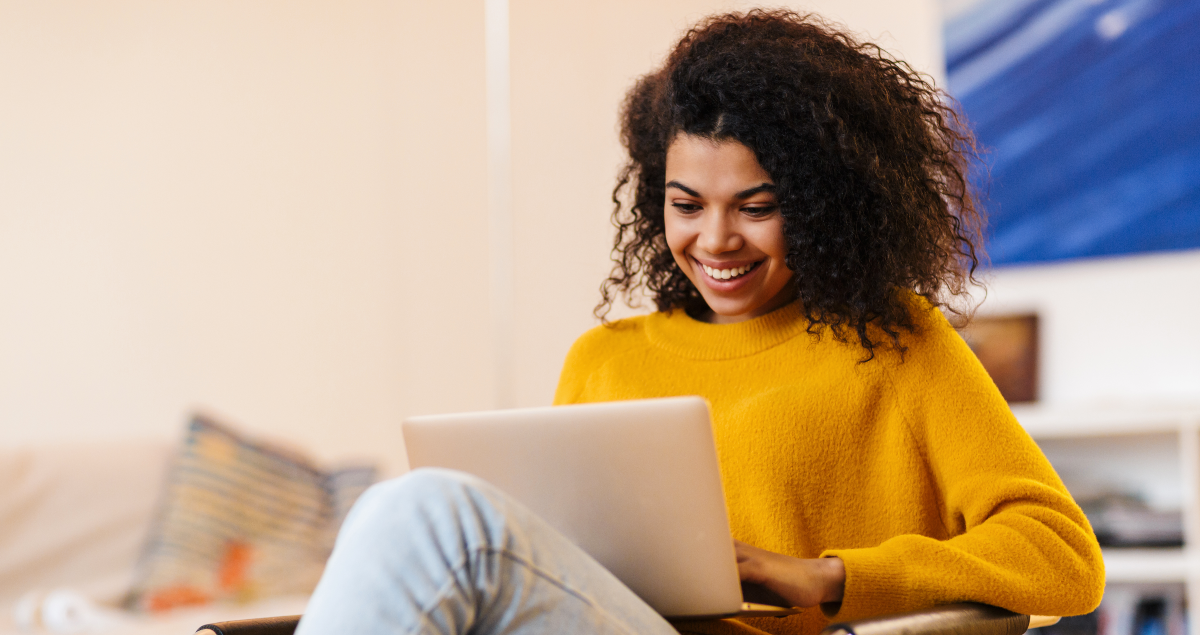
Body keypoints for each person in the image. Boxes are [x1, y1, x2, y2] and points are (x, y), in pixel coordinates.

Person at [295, 10, 1104, 635]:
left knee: (426, 512)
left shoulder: (893, 342)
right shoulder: (603, 359)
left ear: (824, 207)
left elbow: (1064, 555)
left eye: (756, 207)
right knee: (412, 516)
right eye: (687, 205)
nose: (714, 240)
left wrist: (830, 576)